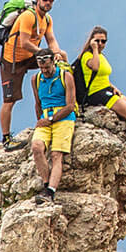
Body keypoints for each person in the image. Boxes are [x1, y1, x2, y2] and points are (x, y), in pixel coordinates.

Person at [74, 26, 126, 168]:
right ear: (91, 41)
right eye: (97, 41)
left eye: (103, 41)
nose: (100, 44)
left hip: (107, 89)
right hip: (96, 93)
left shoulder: (102, 56)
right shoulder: (87, 56)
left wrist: (113, 86)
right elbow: (95, 68)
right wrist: (94, 49)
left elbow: (103, 76)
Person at [0, 0, 58, 145]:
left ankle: (63, 104)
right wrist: (43, 53)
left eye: (51, 0)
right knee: (9, 100)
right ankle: (6, 139)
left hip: (30, 57)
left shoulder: (47, 20)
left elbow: (51, 40)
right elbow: (24, 43)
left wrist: (57, 54)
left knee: (61, 59)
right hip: (12, 61)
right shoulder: (28, 16)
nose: (48, 3)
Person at [30, 44, 77, 202]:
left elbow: (70, 106)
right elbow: (38, 103)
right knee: (37, 147)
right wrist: (40, 120)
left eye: (47, 67)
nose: (44, 70)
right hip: (45, 117)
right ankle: (46, 184)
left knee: (56, 155)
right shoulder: (36, 79)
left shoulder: (65, 77)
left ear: (53, 63)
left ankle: (50, 191)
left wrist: (50, 120)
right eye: (41, 67)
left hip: (64, 118)